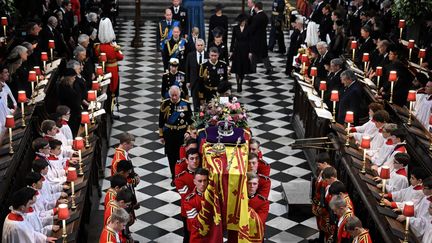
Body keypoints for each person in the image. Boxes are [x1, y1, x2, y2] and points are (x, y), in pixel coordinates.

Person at [159, 86, 193, 184]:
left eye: (176, 95)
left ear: (179, 94)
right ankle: (174, 177)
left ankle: (182, 176)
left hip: (181, 134)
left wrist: (188, 132)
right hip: (169, 134)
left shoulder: (185, 104)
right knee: (171, 156)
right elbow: (161, 120)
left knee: (181, 156)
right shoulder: (164, 104)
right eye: (172, 95)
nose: (174, 97)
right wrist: (161, 135)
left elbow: (191, 121)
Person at [94, 17, 124, 116]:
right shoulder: (113, 48)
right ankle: (110, 112)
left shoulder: (98, 47)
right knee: (113, 91)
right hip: (113, 70)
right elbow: (120, 57)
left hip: (103, 69)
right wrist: (117, 48)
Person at [176, 149, 200, 243]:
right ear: (186, 160)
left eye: (197, 158)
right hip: (188, 212)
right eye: (192, 158)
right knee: (189, 237)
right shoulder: (181, 178)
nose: (195, 161)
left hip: (204, 212)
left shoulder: (204, 174)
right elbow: (187, 197)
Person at [184, 168, 209, 243]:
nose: (203, 184)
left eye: (205, 180)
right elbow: (195, 222)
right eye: (200, 181)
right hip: (198, 235)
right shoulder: (189, 200)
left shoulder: (214, 197)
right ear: (194, 182)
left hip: (213, 235)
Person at [247, 2, 273, 75]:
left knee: (254, 53)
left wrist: (247, 30)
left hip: (256, 38)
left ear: (256, 7)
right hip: (263, 38)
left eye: (255, 8)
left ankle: (253, 69)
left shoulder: (257, 17)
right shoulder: (265, 16)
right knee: (263, 54)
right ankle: (268, 68)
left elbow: (252, 28)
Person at [230, 13, 251, 92]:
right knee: (237, 67)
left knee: (242, 68)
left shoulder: (248, 28)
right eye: (242, 21)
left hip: (245, 50)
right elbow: (232, 40)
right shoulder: (235, 28)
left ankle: (241, 83)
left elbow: (250, 40)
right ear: (239, 22)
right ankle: (238, 84)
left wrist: (250, 52)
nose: (243, 22)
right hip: (237, 50)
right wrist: (231, 51)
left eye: (244, 21)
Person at [185, 38, 207, 110]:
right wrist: (188, 81)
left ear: (204, 46)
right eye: (198, 45)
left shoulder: (207, 55)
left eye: (201, 45)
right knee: (195, 101)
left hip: (205, 83)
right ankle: (196, 116)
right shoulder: (190, 55)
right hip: (194, 82)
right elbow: (187, 69)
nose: (200, 47)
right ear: (195, 46)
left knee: (204, 100)